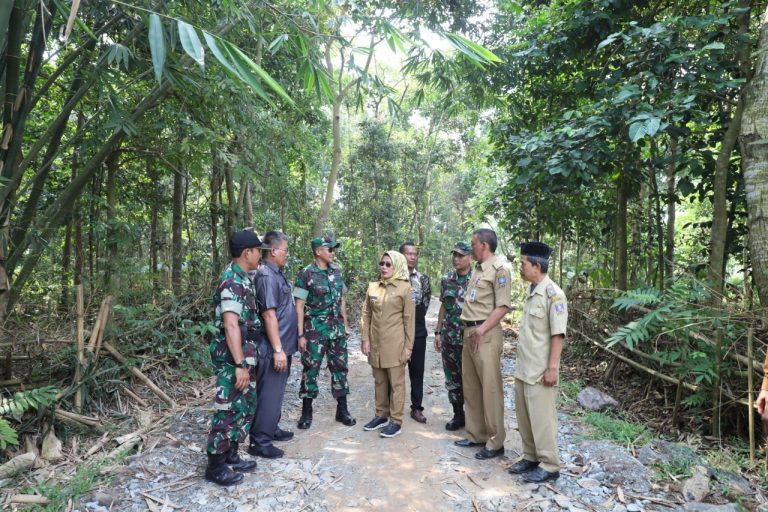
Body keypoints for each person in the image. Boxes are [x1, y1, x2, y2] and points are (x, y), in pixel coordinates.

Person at [205, 230, 265, 486]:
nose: (260, 254)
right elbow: (230, 325)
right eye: (258, 250)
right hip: (234, 358)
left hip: (245, 354)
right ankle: (215, 465)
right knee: (228, 408)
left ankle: (231, 453)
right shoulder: (232, 280)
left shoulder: (244, 278)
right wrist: (239, 364)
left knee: (244, 405)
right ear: (247, 252)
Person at [508, 241, 567, 484]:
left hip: (541, 371)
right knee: (524, 417)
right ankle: (531, 457)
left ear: (536, 266)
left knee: (543, 420)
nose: (520, 268)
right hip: (525, 368)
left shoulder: (554, 294)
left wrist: (552, 368)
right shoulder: (532, 291)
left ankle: (550, 465)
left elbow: (557, 334)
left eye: (523, 264)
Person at [454, 228, 511, 460]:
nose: (471, 247)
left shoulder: (500, 270)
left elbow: (503, 306)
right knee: (472, 386)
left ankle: (496, 441)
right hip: (470, 332)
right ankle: (476, 433)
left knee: (490, 388)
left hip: (485, 334)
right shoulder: (478, 270)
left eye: (473, 243)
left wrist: (482, 330)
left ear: (484, 246)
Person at [293, 236, 356, 429]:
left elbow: (342, 300)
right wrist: (300, 334)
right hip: (315, 332)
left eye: (333, 249)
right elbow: (299, 306)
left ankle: (342, 409)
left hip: (336, 330)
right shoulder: (306, 274)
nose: (332, 253)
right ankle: (306, 412)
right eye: (329, 249)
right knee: (310, 370)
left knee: (340, 368)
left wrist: (345, 325)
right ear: (318, 251)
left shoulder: (337, 271)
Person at [248, 231, 298, 459]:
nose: (287, 254)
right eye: (285, 250)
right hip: (272, 349)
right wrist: (278, 350)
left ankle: (271, 428)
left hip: (283, 347)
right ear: (274, 251)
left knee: (276, 394)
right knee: (268, 394)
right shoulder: (267, 276)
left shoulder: (277, 273)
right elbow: (268, 315)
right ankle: (260, 442)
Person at [361, 251, 415, 438]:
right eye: (381, 263)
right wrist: (365, 339)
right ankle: (381, 415)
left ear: (397, 266)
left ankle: (396, 421)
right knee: (379, 381)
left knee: (396, 384)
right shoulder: (373, 287)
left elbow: (409, 320)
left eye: (388, 264)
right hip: (375, 343)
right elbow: (366, 314)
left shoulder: (405, 289)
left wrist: (408, 347)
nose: (383, 267)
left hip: (396, 344)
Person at [434, 241, 473, 431]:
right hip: (450, 337)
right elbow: (443, 306)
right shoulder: (447, 279)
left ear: (470, 257)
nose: (456, 259)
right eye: (454, 255)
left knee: (471, 378)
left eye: (461, 255)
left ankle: (475, 417)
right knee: (452, 378)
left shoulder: (478, 280)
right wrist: (438, 332)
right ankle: (458, 415)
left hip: (469, 338)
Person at [400, 243, 431, 423]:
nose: (412, 257)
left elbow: (425, 303)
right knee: (395, 370)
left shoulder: (423, 279)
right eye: (408, 253)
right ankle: (391, 406)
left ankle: (416, 407)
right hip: (397, 332)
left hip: (418, 331)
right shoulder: (394, 277)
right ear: (401, 256)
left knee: (417, 371)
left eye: (414, 254)